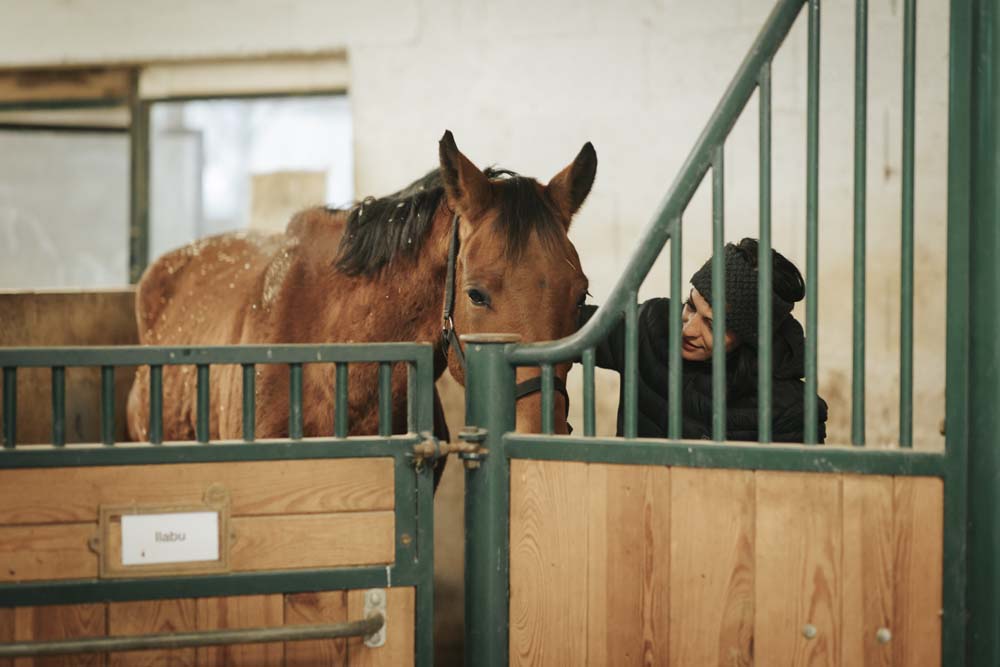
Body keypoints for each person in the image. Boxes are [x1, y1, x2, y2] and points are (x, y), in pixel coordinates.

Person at [580, 237, 828, 442]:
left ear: (752, 338)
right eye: (690, 305)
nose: (688, 329)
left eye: (712, 324)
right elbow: (561, 326)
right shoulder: (652, 328)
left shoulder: (792, 410)